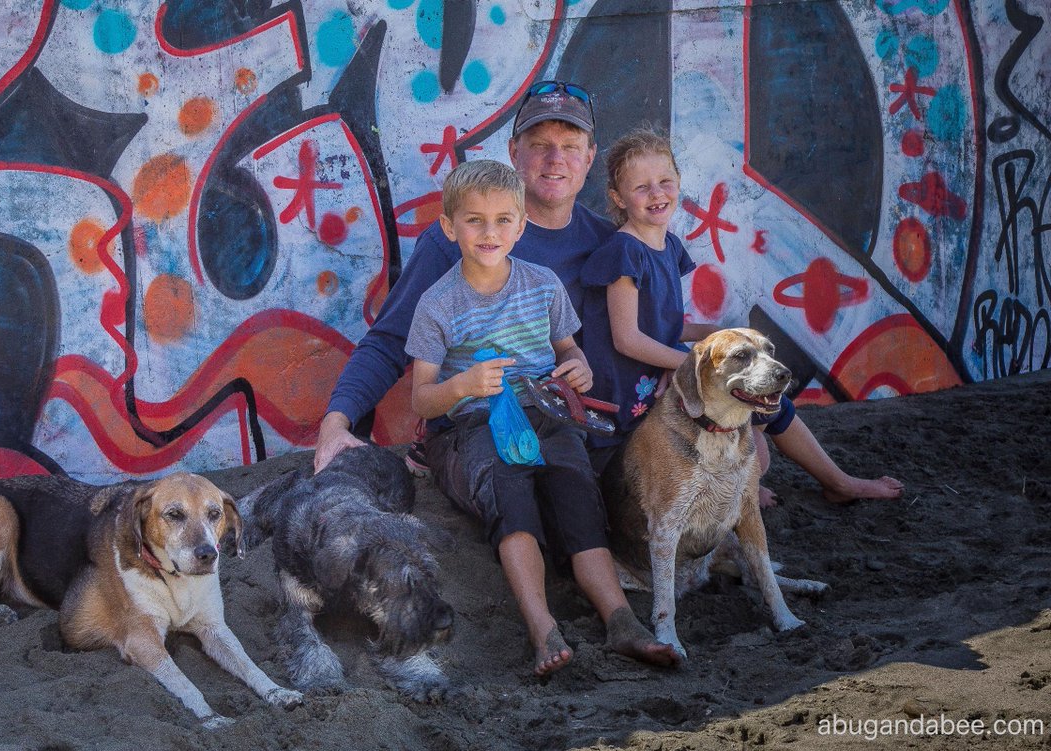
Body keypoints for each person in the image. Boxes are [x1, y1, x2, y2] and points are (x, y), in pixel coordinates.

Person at [406, 159, 678, 676]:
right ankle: (541, 625)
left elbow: (569, 351)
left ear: (522, 223)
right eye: (474, 220)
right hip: (473, 425)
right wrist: (461, 387)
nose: (490, 232)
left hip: (546, 411)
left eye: (504, 220)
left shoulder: (542, 283)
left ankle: (620, 618)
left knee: (575, 487)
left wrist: (577, 371)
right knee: (509, 491)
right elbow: (421, 400)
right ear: (448, 227)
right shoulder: (436, 303)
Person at [580, 128, 904, 506]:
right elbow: (628, 339)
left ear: (679, 182)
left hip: (663, 375)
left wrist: (716, 333)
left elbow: (663, 325)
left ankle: (807, 482)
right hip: (632, 397)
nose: (656, 194)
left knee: (760, 413)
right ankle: (831, 484)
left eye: (664, 181)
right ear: (618, 198)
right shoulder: (624, 253)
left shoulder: (667, 245)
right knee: (754, 405)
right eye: (641, 187)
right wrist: (696, 364)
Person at [315, 81, 613, 472]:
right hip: (475, 441)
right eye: (539, 144)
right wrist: (336, 424)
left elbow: (620, 336)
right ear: (513, 153)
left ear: (589, 157)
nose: (555, 158)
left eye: (571, 146)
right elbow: (390, 339)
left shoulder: (608, 243)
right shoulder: (456, 240)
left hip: (569, 436)